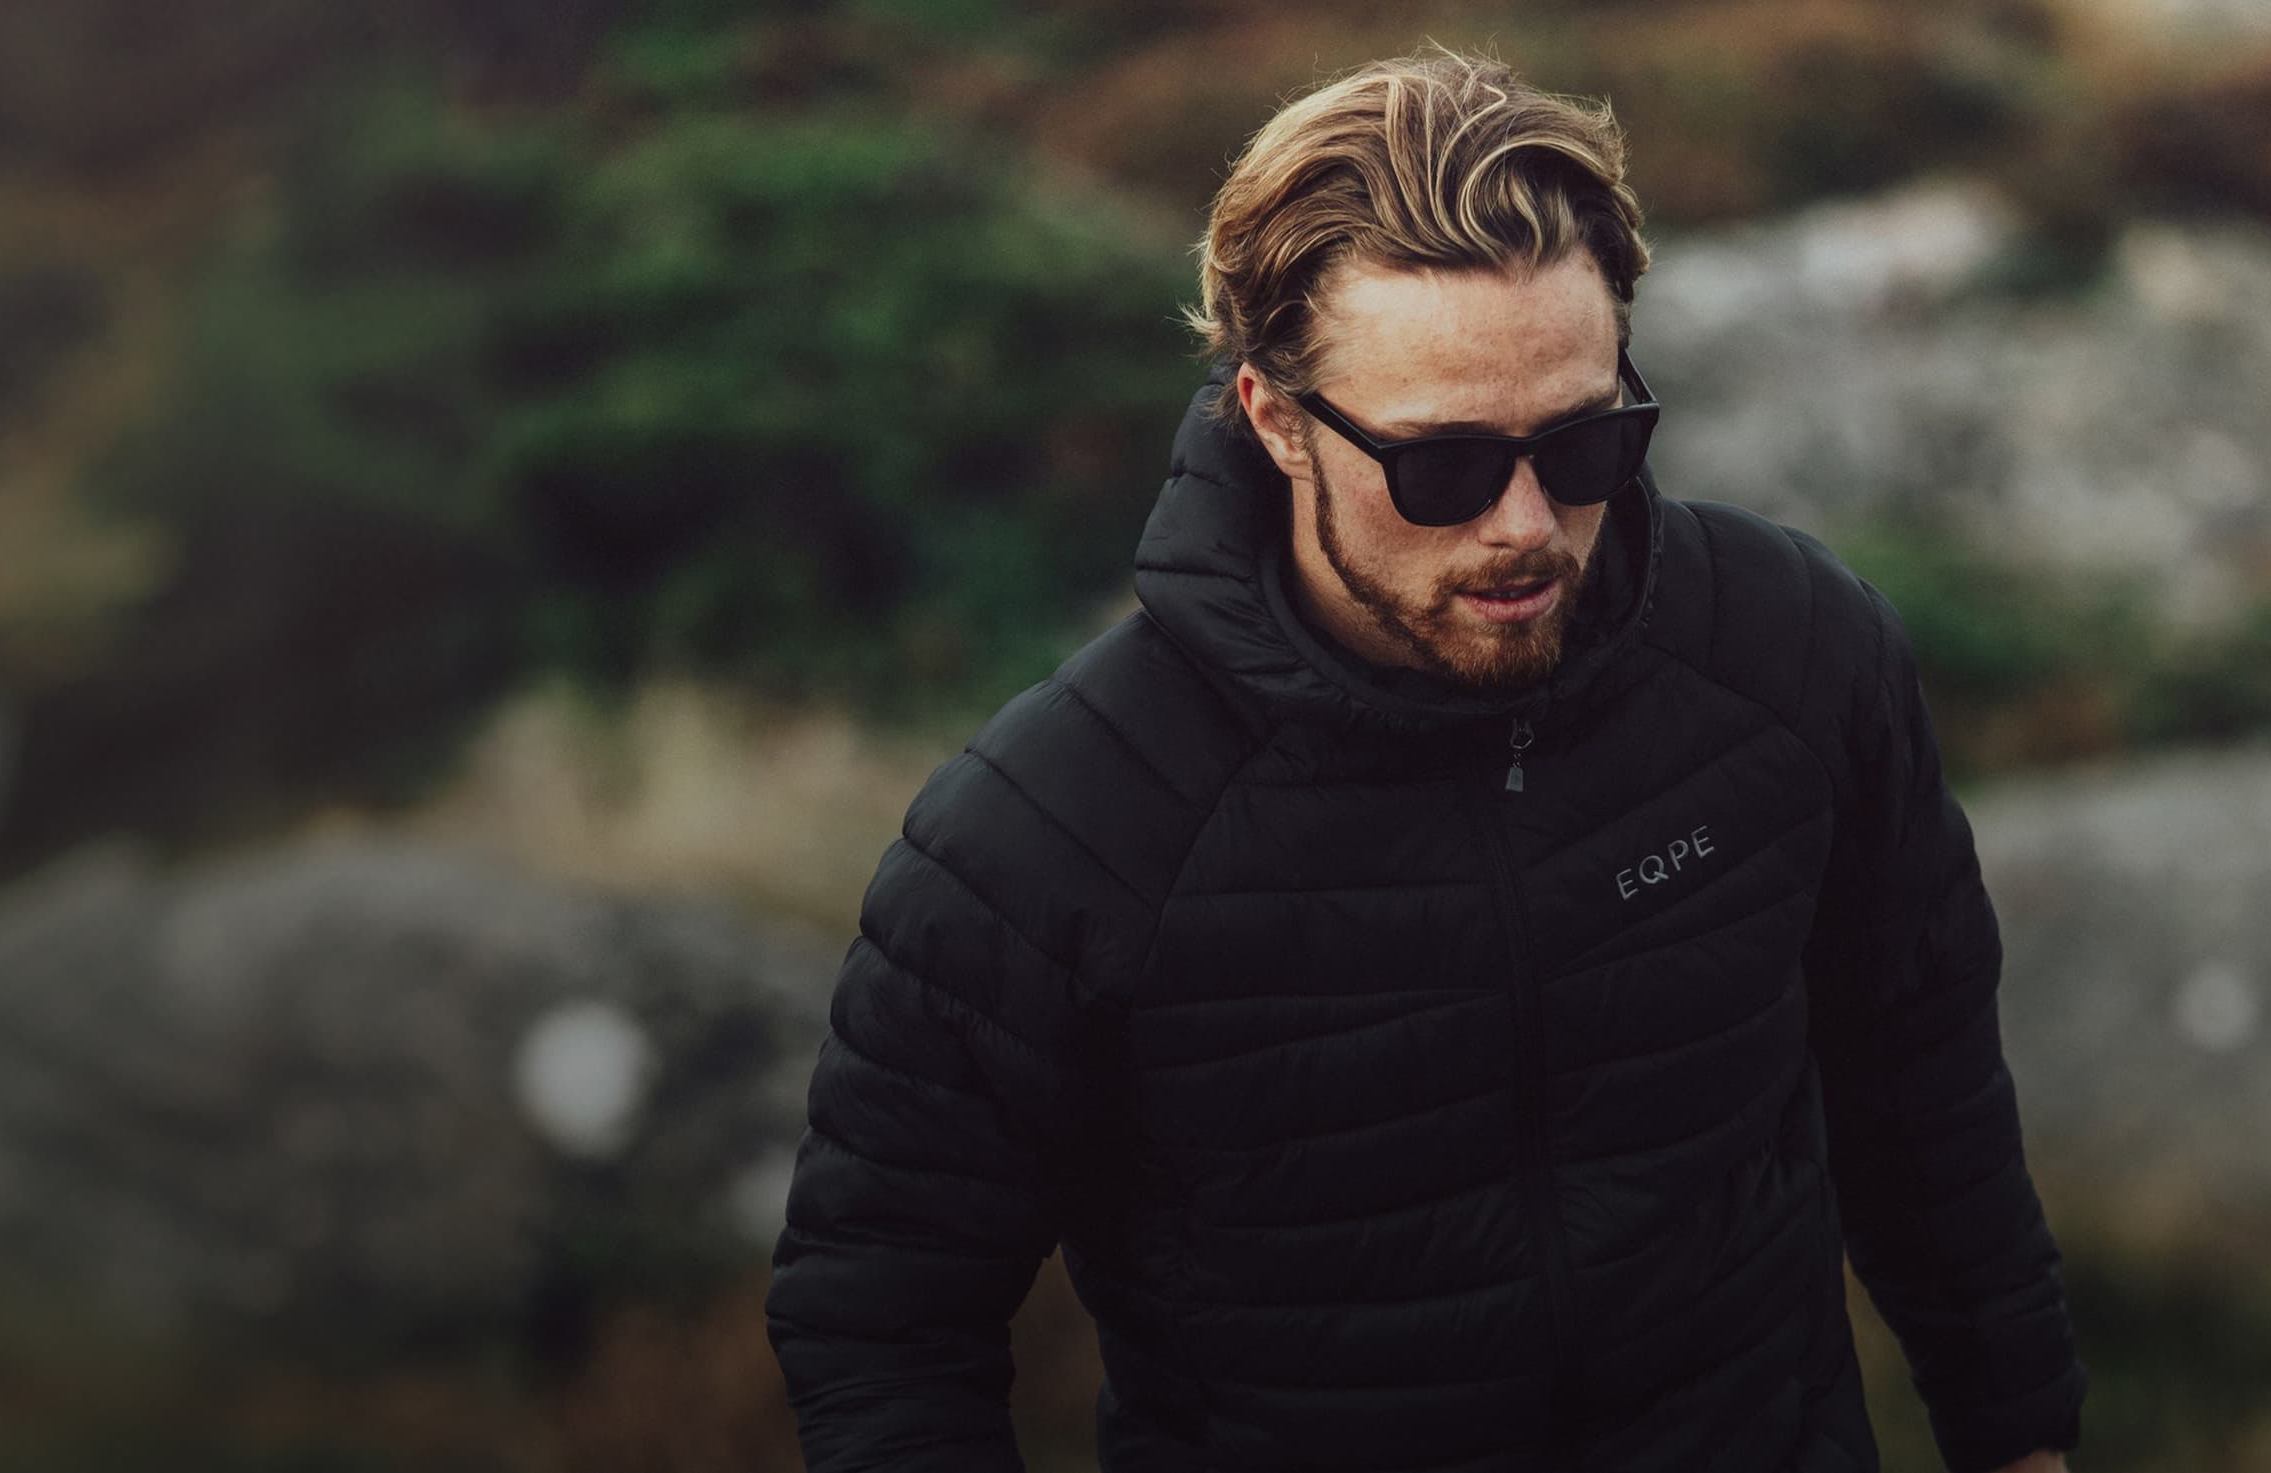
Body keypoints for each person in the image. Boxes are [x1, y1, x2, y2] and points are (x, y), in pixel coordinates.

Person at [765, 45, 2084, 1473]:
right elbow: (880, 1322)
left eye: (1586, 443)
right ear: (1274, 418)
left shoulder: (1796, 654)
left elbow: (1927, 1094)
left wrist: (2020, 1442)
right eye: (1442, 468)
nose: (1524, 524)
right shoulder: (1050, 834)